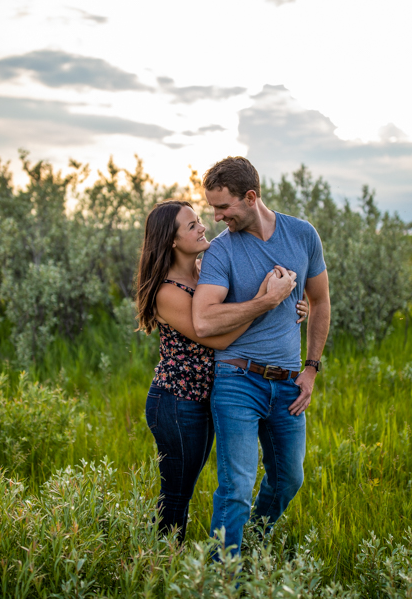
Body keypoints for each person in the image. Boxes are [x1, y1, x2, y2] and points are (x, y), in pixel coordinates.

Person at [135, 200, 309, 543]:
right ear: (171, 241)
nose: (203, 227)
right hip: (176, 401)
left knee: (187, 488)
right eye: (191, 226)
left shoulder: (205, 270)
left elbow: (232, 312)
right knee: (177, 494)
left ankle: (177, 560)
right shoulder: (166, 292)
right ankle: (158, 565)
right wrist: (265, 302)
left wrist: (289, 305)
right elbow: (216, 338)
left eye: (199, 221)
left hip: (205, 399)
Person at [191, 156, 331, 555]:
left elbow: (320, 303)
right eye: (213, 208)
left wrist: (311, 368)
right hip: (237, 380)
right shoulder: (221, 252)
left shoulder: (303, 235)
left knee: (289, 479)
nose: (216, 217)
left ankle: (250, 549)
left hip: (289, 383)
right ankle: (222, 578)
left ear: (250, 197)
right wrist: (266, 300)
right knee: (236, 487)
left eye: (223, 207)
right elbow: (203, 321)